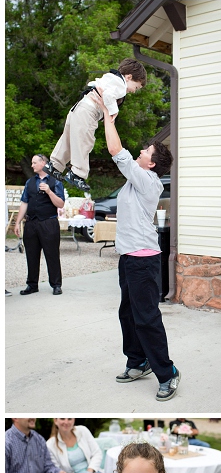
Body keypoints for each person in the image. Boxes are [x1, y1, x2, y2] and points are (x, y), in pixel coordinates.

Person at [89, 87, 179, 402]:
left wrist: (107, 116)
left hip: (144, 260)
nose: (141, 151)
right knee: (127, 314)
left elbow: (116, 151)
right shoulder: (134, 181)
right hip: (129, 258)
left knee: (146, 316)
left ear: (152, 164)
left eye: (146, 151)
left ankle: (167, 373)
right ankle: (137, 361)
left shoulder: (147, 180)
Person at [48, 58, 147, 191]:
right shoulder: (120, 86)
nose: (134, 91)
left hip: (78, 108)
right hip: (88, 111)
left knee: (68, 141)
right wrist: (113, 112)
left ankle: (54, 165)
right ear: (129, 77)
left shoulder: (110, 78)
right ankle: (77, 174)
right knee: (85, 142)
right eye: (136, 87)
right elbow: (107, 96)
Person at [13, 154, 65, 295]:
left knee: (52, 254)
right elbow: (24, 203)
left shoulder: (56, 181)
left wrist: (49, 191)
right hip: (31, 223)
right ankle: (32, 285)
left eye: (34, 162)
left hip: (49, 222)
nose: (32, 165)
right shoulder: (30, 182)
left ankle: (56, 284)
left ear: (43, 163)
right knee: (31, 254)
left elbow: (60, 204)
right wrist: (17, 222)